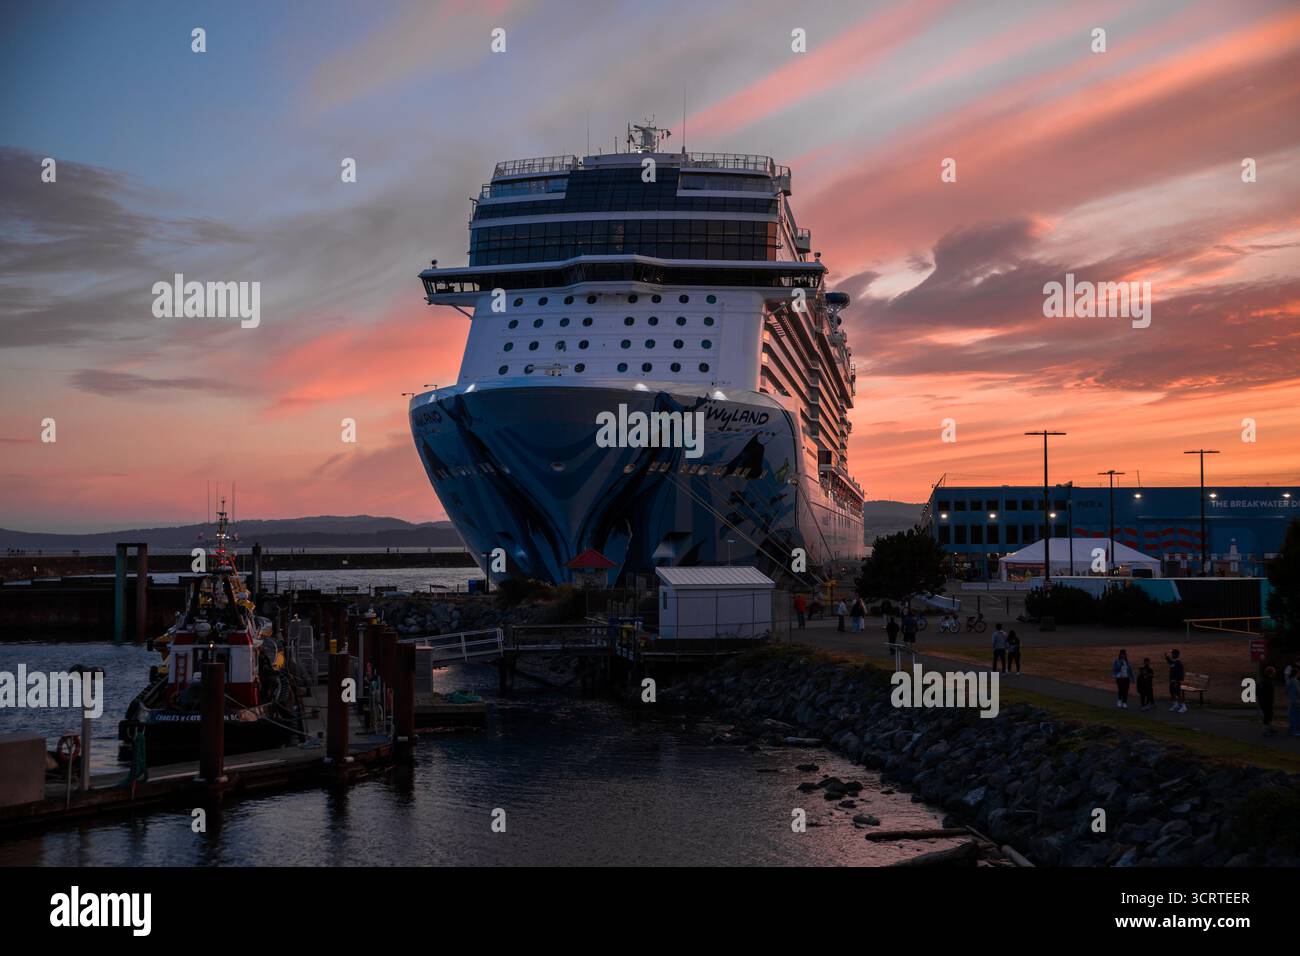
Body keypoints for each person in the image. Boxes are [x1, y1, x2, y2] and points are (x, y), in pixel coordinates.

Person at [1165, 649, 1187, 713]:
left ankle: (1184, 706)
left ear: (1176, 654)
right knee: (1172, 692)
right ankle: (1176, 704)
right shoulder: (1174, 662)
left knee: (1178, 694)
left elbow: (1180, 674)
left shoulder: (1179, 663)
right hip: (1172, 681)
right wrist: (1167, 657)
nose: (1172, 655)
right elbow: (1171, 663)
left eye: (1173, 654)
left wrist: (1176, 681)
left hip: (1176, 681)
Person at [1259, 665, 1277, 736]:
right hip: (1267, 701)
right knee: (1267, 716)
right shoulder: (1267, 681)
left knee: (1270, 715)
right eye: (1274, 671)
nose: (1275, 673)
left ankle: (1269, 728)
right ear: (1271, 672)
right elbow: (1267, 692)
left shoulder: (1267, 680)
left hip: (1267, 701)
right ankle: (1265, 731)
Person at [1289, 667, 1300, 737]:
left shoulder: (1289, 681)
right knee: (1297, 716)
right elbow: (1298, 692)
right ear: (1296, 674)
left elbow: (1286, 691)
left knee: (1292, 715)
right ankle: (1295, 731)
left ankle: (1292, 729)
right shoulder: (1296, 681)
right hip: (1297, 701)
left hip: (1291, 700)